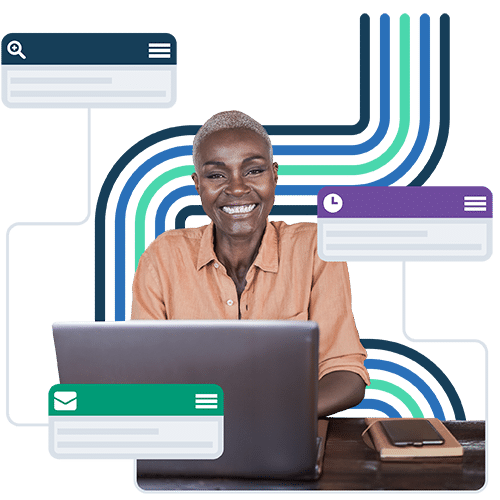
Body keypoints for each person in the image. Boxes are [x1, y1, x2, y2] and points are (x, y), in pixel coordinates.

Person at [131, 110, 369, 417]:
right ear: (197, 184)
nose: (238, 188)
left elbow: (346, 374)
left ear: (275, 175)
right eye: (217, 175)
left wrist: (272, 418)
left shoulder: (315, 250)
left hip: (287, 437)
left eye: (254, 171)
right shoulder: (162, 258)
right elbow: (143, 375)